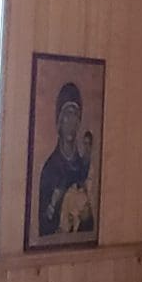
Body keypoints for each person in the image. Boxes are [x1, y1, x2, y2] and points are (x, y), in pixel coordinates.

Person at [36, 78, 96, 240]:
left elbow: (89, 226)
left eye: (76, 116)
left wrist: (86, 216)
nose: (71, 122)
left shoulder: (82, 167)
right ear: (59, 120)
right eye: (67, 115)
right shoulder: (50, 169)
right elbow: (44, 226)